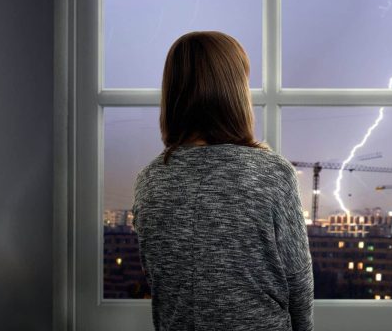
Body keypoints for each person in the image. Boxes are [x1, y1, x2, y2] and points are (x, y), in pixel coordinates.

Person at [132, 31, 314, 331]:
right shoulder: (272, 172)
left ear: (173, 94)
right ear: (236, 93)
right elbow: (298, 279)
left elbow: (158, 278)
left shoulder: (150, 179)